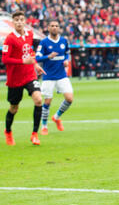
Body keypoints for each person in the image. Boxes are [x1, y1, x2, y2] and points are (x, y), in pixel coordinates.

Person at [2, 10, 46, 146]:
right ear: (13, 22)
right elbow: (5, 59)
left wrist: (35, 64)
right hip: (15, 78)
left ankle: (34, 134)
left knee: (38, 100)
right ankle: (8, 131)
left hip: (30, 75)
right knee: (14, 108)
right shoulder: (9, 39)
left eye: (21, 19)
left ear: (25, 21)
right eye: (16, 20)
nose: (19, 22)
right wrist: (22, 62)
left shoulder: (30, 35)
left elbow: (30, 51)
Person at [35, 19, 73, 135]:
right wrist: (48, 56)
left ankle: (56, 117)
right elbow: (37, 58)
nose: (54, 27)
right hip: (48, 76)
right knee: (47, 102)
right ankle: (44, 126)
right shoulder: (44, 42)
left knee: (69, 98)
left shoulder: (64, 41)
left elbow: (67, 53)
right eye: (52, 26)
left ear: (59, 28)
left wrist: (66, 60)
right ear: (48, 28)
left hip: (62, 75)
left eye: (56, 25)